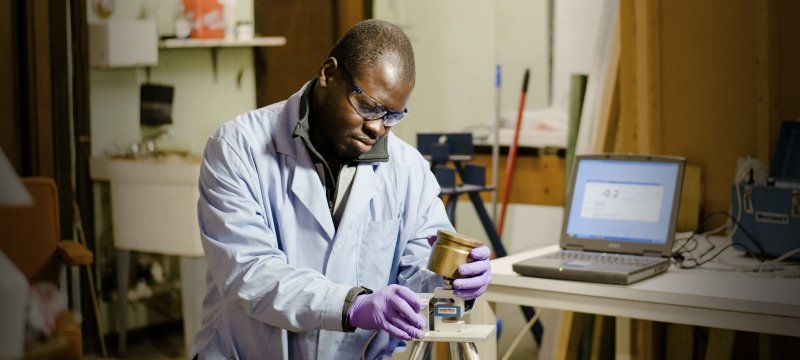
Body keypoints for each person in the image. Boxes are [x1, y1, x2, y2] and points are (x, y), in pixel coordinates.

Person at [192, 19, 491, 359]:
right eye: (367, 106)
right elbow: (249, 273)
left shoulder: (408, 171)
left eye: (392, 115)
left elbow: (418, 277)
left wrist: (455, 282)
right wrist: (352, 305)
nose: (377, 127)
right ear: (328, 74)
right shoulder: (236, 148)